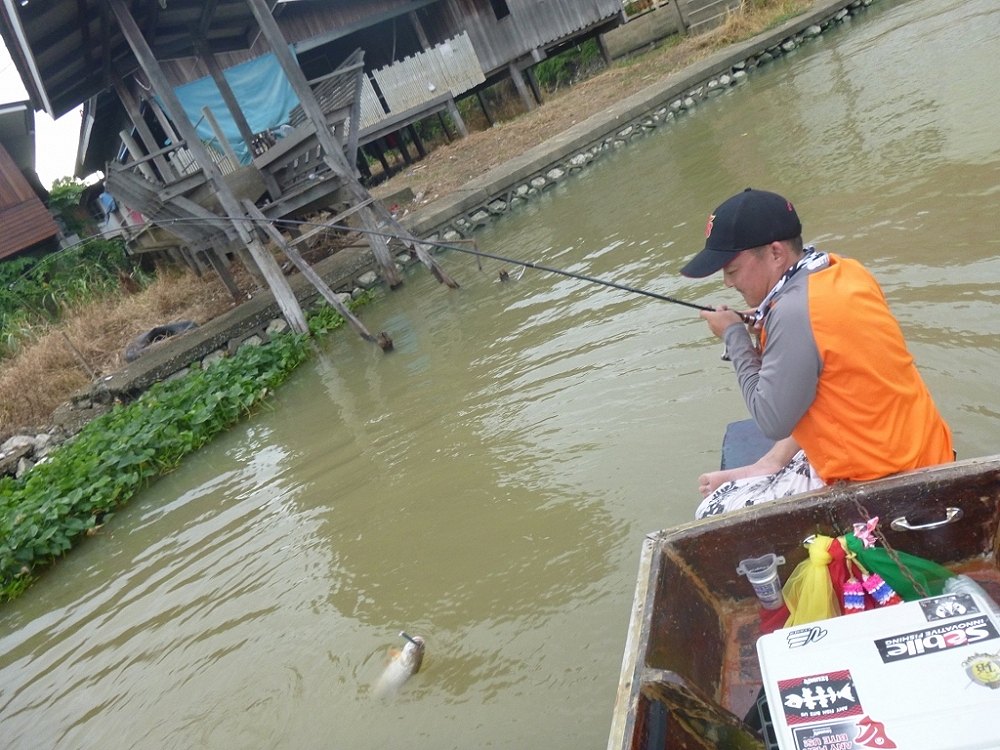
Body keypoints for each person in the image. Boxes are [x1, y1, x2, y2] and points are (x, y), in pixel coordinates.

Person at [682, 188, 953, 519]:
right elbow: (828, 345)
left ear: (776, 252)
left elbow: (771, 420)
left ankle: (770, 468)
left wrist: (734, 336)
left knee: (710, 510)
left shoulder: (793, 312)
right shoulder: (844, 270)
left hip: (884, 479)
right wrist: (763, 321)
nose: (726, 282)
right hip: (924, 448)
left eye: (732, 269)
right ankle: (768, 464)